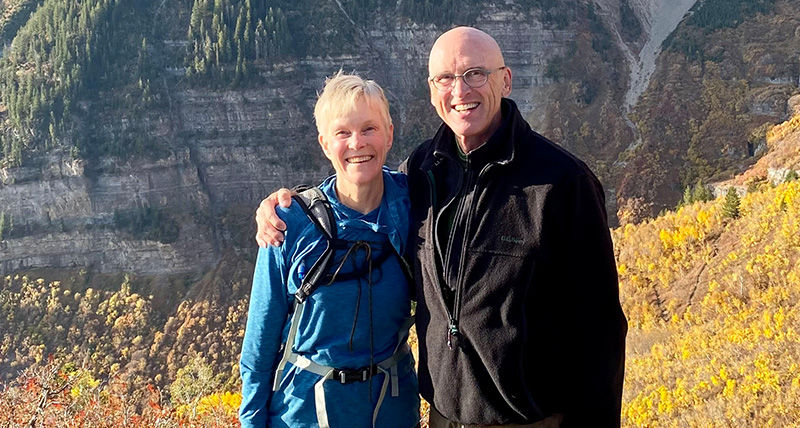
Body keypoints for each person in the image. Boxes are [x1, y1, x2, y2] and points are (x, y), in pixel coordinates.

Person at [256, 27, 627, 428]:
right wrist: (285, 205)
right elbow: (355, 192)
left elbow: (600, 328)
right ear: (432, 91)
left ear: (505, 79)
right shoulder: (422, 171)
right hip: (442, 416)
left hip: (529, 420)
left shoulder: (561, 182)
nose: (460, 91)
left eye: (475, 74)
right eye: (446, 79)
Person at [239, 71, 420, 428]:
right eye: (343, 133)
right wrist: (252, 420)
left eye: (369, 128)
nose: (357, 143)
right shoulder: (289, 222)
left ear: (389, 135)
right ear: (325, 143)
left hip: (391, 411)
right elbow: (260, 344)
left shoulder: (416, 203)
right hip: (303, 413)